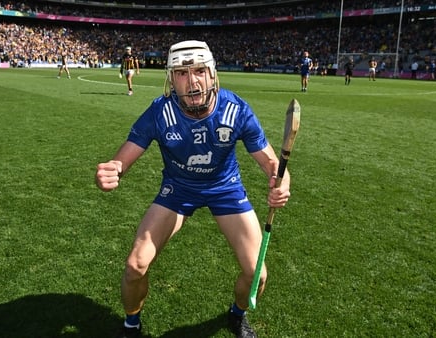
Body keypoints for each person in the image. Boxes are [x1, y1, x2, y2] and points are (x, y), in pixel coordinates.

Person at [95, 40, 292, 338]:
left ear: (213, 74)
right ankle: (131, 323)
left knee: (257, 275)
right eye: (182, 73)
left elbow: (273, 165)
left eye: (199, 70)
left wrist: (282, 185)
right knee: (135, 265)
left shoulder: (236, 110)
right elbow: (122, 159)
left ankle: (237, 315)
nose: (193, 81)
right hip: (178, 189)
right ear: (171, 79)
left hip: (225, 188)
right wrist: (113, 170)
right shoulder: (160, 113)